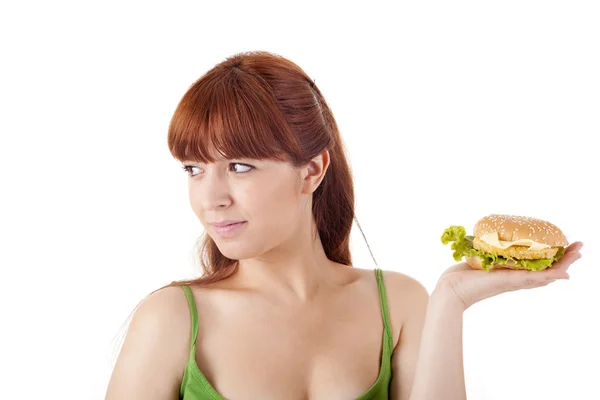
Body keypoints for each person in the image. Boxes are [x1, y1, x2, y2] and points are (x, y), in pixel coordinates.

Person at [104, 50, 584, 400]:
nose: (211, 199)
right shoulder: (171, 320)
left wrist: (450, 304)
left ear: (311, 170)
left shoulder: (398, 304)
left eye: (239, 166)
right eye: (193, 169)